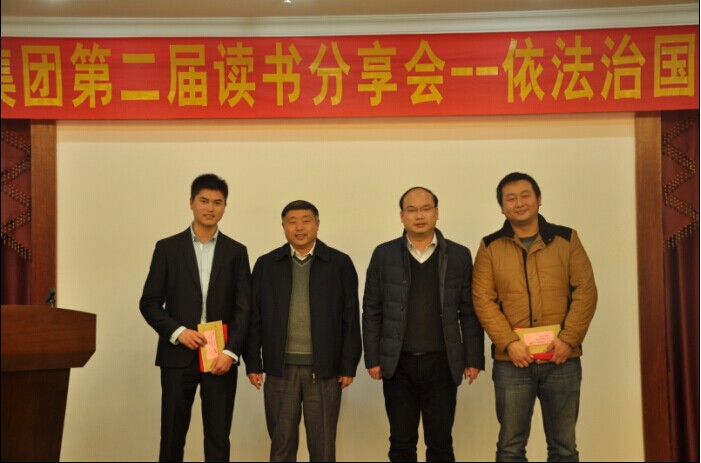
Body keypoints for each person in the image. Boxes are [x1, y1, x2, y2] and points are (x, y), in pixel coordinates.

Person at [472, 172, 597, 462]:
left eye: (525, 195)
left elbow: (586, 290)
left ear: (539, 199)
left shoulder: (567, 239)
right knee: (510, 448)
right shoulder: (490, 246)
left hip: (562, 358)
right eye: (510, 198)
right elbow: (482, 299)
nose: (519, 203)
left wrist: (568, 339)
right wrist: (509, 343)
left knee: (564, 448)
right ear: (502, 207)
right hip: (512, 362)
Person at [362, 186, 485, 462]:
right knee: (401, 442)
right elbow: (372, 309)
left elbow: (469, 310)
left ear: (437, 213)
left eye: (426, 208)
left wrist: (473, 357)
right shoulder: (384, 254)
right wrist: (373, 357)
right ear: (401, 215)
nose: (419, 215)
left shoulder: (459, 255)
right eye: (412, 209)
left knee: (440, 443)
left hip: (443, 362)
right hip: (398, 364)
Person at [139, 174, 251, 462]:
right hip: (177, 354)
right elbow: (149, 303)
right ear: (191, 202)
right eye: (204, 201)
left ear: (225, 206)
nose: (210, 208)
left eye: (217, 202)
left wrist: (231, 352)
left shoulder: (236, 252)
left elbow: (244, 309)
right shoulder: (168, 248)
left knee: (218, 437)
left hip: (220, 357)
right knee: (172, 435)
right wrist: (178, 332)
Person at [243, 200, 361, 462]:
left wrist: (348, 365)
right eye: (292, 222)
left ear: (317, 224)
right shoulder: (266, 264)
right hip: (279, 369)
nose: (299, 227)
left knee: (323, 447)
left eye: (306, 221)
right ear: (283, 226)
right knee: (281, 445)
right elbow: (254, 318)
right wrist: (253, 362)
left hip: (325, 370)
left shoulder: (339, 263)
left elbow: (351, 317)